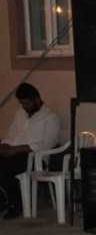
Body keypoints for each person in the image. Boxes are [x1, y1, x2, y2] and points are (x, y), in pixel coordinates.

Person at [0, 83, 61, 219]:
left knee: (3, 168)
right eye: (22, 104)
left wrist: (17, 149)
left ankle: (16, 204)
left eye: (27, 103)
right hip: (13, 152)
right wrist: (4, 145)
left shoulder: (50, 117)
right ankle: (3, 201)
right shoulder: (20, 113)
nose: (24, 107)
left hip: (34, 156)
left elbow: (46, 145)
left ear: (37, 100)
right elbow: (11, 134)